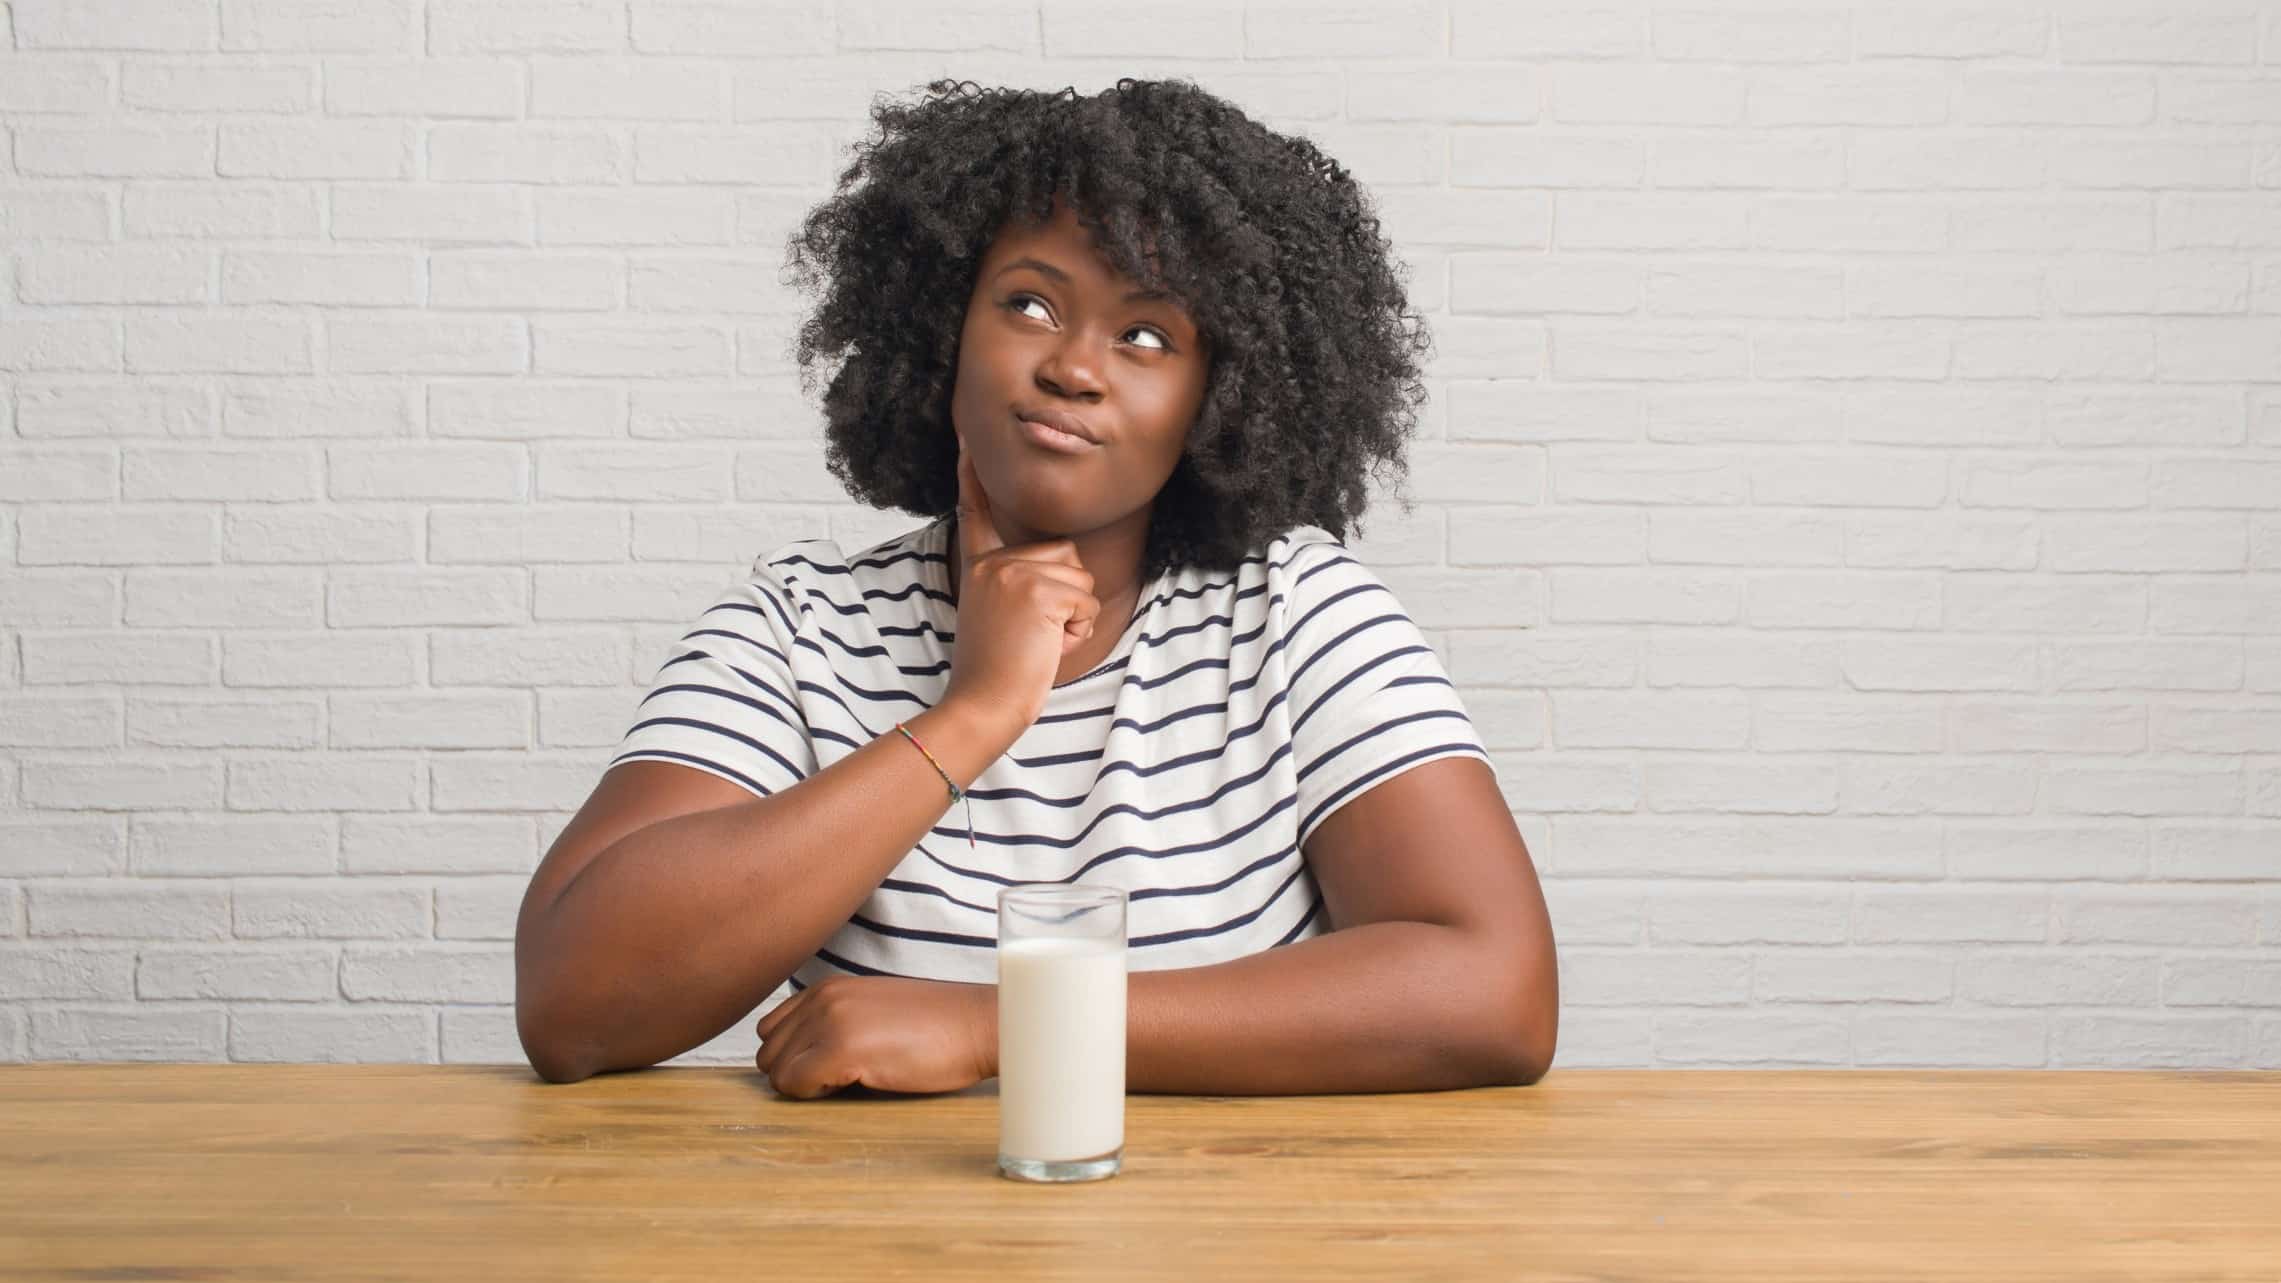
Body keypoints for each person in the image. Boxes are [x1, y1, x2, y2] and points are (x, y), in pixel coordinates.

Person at [513, 77, 1558, 1095]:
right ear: (941, 331)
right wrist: (973, 714)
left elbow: (1494, 988)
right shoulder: (799, 635)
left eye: (1147, 335)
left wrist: (1001, 1026)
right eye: (1028, 303)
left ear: (1217, 396)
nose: (1074, 367)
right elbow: (574, 1004)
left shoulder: (1294, 617)